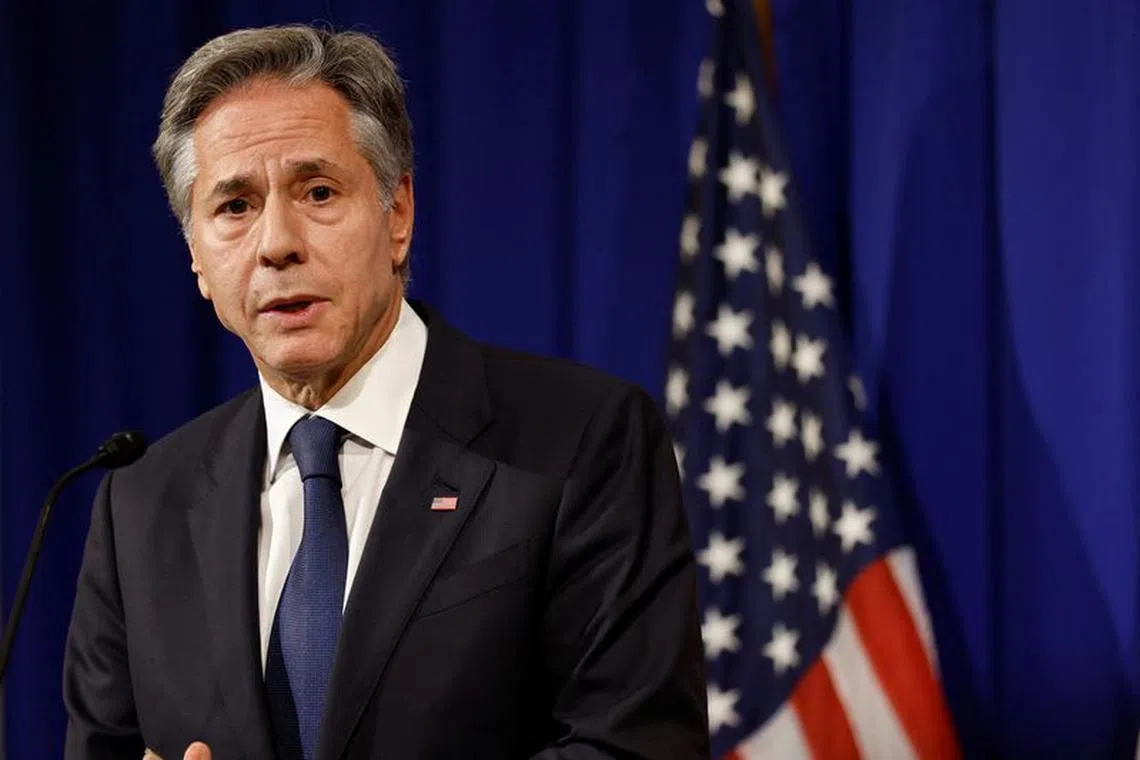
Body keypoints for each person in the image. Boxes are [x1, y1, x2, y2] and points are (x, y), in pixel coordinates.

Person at [61, 24, 709, 760]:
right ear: (196, 257)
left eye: (318, 191)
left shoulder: (581, 441)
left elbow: (636, 747)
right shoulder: (141, 505)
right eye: (234, 206)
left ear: (397, 213)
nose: (276, 242)